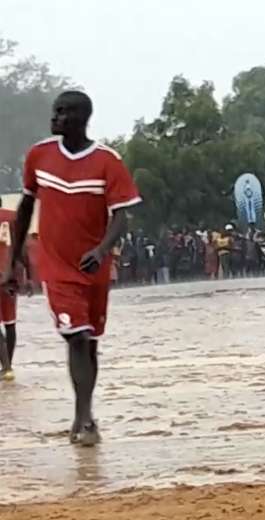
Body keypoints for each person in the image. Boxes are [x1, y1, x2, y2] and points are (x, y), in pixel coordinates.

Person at [3, 91, 141, 445]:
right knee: (75, 336)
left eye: (63, 112)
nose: (55, 117)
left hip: (94, 266)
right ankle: (84, 419)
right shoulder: (39, 155)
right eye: (55, 111)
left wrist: (102, 249)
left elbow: (121, 216)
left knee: (89, 342)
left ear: (82, 118)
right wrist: (14, 260)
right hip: (56, 266)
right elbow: (24, 208)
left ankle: (85, 413)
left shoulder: (108, 161)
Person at [0, 201, 27, 381]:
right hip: (10, 277)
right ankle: (9, 366)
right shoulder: (13, 217)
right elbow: (22, 247)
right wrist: (28, 276)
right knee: (10, 323)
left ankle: (6, 367)